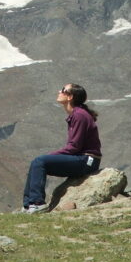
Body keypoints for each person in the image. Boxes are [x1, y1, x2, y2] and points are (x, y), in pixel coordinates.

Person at [21, 83, 102, 214]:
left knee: (40, 162)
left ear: (70, 97)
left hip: (88, 160)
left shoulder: (79, 115)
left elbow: (74, 146)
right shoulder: (77, 114)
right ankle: (27, 205)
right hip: (82, 158)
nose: (59, 91)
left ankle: (37, 204)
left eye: (63, 90)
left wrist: (52, 155)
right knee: (36, 162)